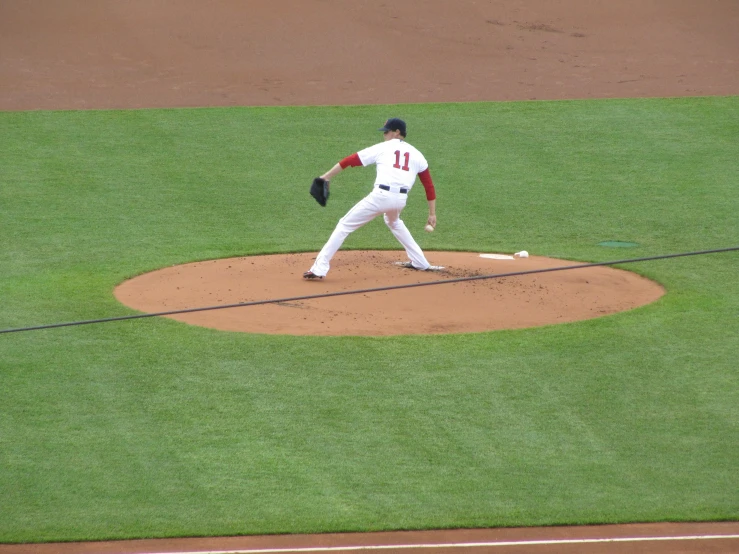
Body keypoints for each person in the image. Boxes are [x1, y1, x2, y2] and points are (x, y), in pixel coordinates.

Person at [304, 118, 439, 279]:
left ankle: (319, 268)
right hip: (400, 200)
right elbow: (428, 186)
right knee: (393, 222)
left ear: (396, 132)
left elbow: (350, 160)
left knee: (344, 225)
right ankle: (420, 262)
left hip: (381, 197)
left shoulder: (383, 148)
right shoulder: (418, 155)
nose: (384, 135)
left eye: (387, 131)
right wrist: (432, 213)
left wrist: (326, 177)